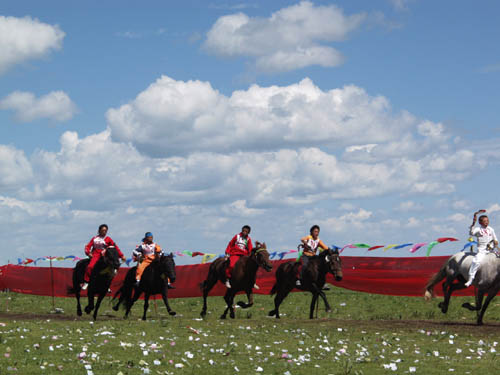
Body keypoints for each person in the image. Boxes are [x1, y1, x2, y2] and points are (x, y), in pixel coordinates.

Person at [82, 224, 125, 290]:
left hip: (105, 256)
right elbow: (88, 246)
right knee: (90, 267)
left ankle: (107, 285)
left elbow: (115, 247)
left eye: (105, 230)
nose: (104, 232)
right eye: (103, 230)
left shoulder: (108, 239)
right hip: (95, 255)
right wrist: (88, 253)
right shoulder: (94, 238)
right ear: (99, 231)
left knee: (112, 269)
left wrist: (122, 255)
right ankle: (86, 282)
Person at [465, 211, 498, 287]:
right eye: (485, 221)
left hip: (491, 250)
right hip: (482, 251)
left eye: (487, 221)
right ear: (480, 222)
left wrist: (495, 242)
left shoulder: (491, 229)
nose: (487, 222)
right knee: (476, 261)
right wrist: (473, 223)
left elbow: (495, 239)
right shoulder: (478, 229)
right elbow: (471, 233)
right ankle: (470, 279)